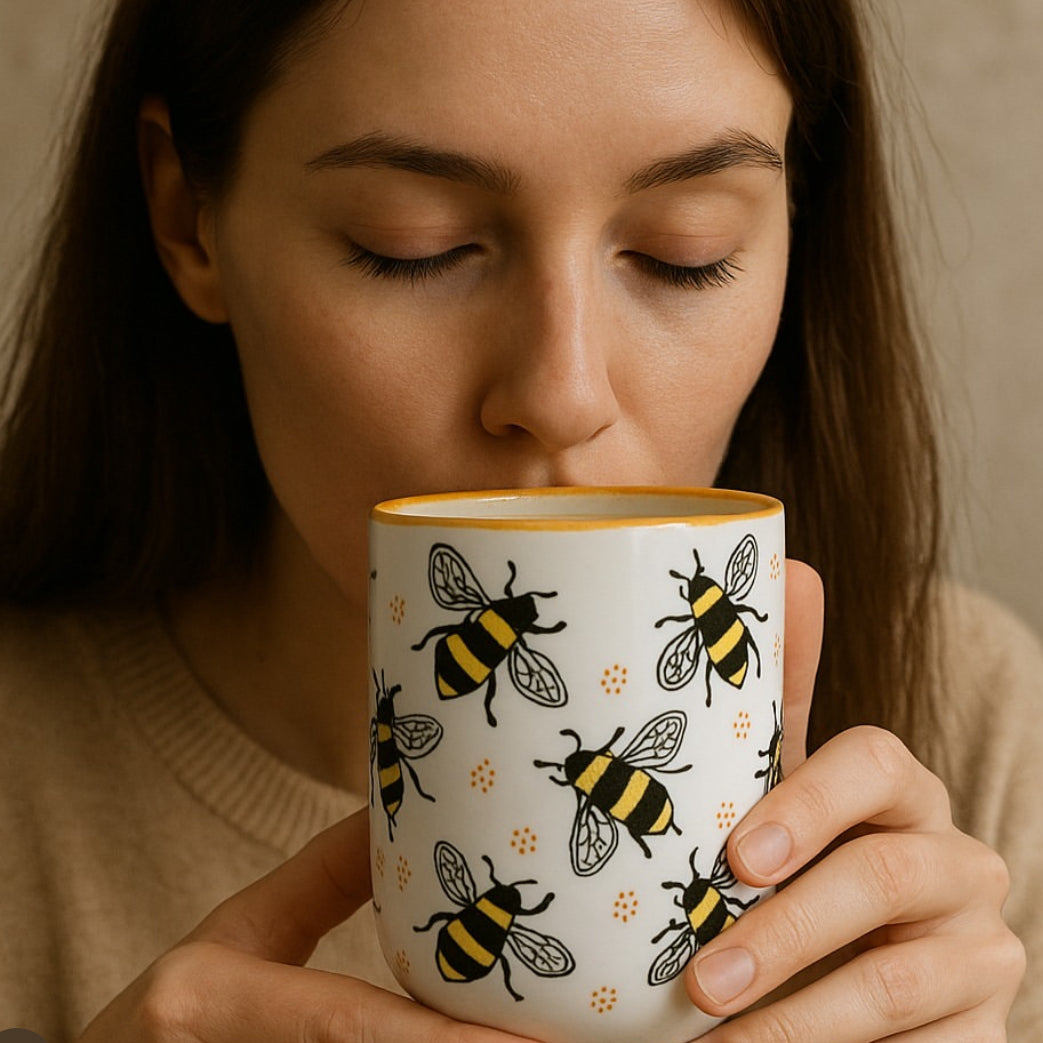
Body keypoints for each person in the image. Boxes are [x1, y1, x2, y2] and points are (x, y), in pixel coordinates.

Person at [0, 0, 1036, 1039]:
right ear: (189, 218)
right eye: (414, 244)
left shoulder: (974, 737)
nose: (562, 389)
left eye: (688, 251)